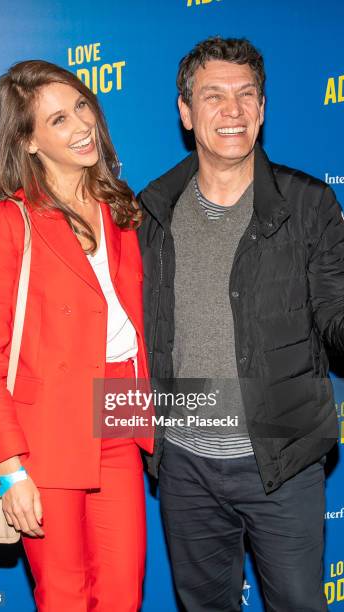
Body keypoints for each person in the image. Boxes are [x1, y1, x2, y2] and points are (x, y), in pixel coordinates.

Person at [138, 37, 343, 611]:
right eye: (213, 96)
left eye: (246, 95)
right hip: (182, 466)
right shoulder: (149, 211)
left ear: (262, 108)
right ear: (185, 112)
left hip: (282, 460)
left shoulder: (308, 205)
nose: (233, 110)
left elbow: (336, 313)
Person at [0, 60, 153, 612]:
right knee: (66, 597)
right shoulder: (9, 221)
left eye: (81, 106)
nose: (81, 124)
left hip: (118, 412)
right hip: (46, 430)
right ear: (27, 141)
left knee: (122, 594)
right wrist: (10, 469)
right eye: (58, 120)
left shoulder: (119, 207)